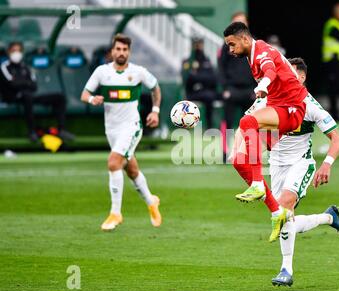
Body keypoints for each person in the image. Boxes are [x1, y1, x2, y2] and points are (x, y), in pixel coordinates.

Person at [223, 22, 308, 243]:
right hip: (278, 107)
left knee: (247, 121)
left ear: (244, 39)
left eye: (232, 44)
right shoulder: (251, 56)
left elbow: (270, 70)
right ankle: (276, 211)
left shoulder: (261, 51)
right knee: (239, 161)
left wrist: (264, 85)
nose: (230, 50)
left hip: (292, 109)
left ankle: (258, 184)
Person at [267, 58, 339, 287]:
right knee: (285, 220)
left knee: (283, 209)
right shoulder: (272, 98)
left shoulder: (310, 105)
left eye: (287, 73)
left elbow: (336, 139)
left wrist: (327, 164)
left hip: (300, 164)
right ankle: (329, 217)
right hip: (276, 164)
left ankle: (286, 270)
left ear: (300, 78)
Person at [80, 34, 162, 231]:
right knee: (131, 170)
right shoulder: (102, 72)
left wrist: (155, 111)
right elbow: (84, 94)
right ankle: (151, 201)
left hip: (132, 127)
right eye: (118, 49)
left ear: (129, 52)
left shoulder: (138, 72)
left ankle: (115, 213)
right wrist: (92, 100)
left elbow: (156, 89)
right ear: (112, 51)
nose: (122, 53)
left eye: (125, 50)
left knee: (113, 162)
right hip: (112, 130)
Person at [0, 42, 75, 142]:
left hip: (28, 96)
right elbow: (11, 85)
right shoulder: (4, 67)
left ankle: (61, 129)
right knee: (27, 96)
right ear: (8, 52)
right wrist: (25, 83)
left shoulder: (25, 67)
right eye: (14, 51)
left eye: (18, 50)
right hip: (12, 98)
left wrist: (19, 82)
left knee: (59, 97)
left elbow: (34, 86)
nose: (16, 53)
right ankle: (32, 131)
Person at [218, 12, 256, 161]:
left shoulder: (254, 43)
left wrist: (256, 88)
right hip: (232, 89)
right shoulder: (226, 46)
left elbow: (259, 66)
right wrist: (225, 88)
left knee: (252, 123)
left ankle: (250, 153)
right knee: (227, 122)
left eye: (242, 22)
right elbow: (221, 67)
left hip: (250, 90)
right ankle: (225, 152)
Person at [182, 37, 218, 129]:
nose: (198, 47)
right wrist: (201, 77)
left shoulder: (206, 60)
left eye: (200, 44)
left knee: (210, 96)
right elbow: (187, 79)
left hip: (206, 91)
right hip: (192, 93)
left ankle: (209, 127)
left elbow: (212, 78)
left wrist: (197, 77)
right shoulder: (187, 61)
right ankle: (189, 126)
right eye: (196, 44)